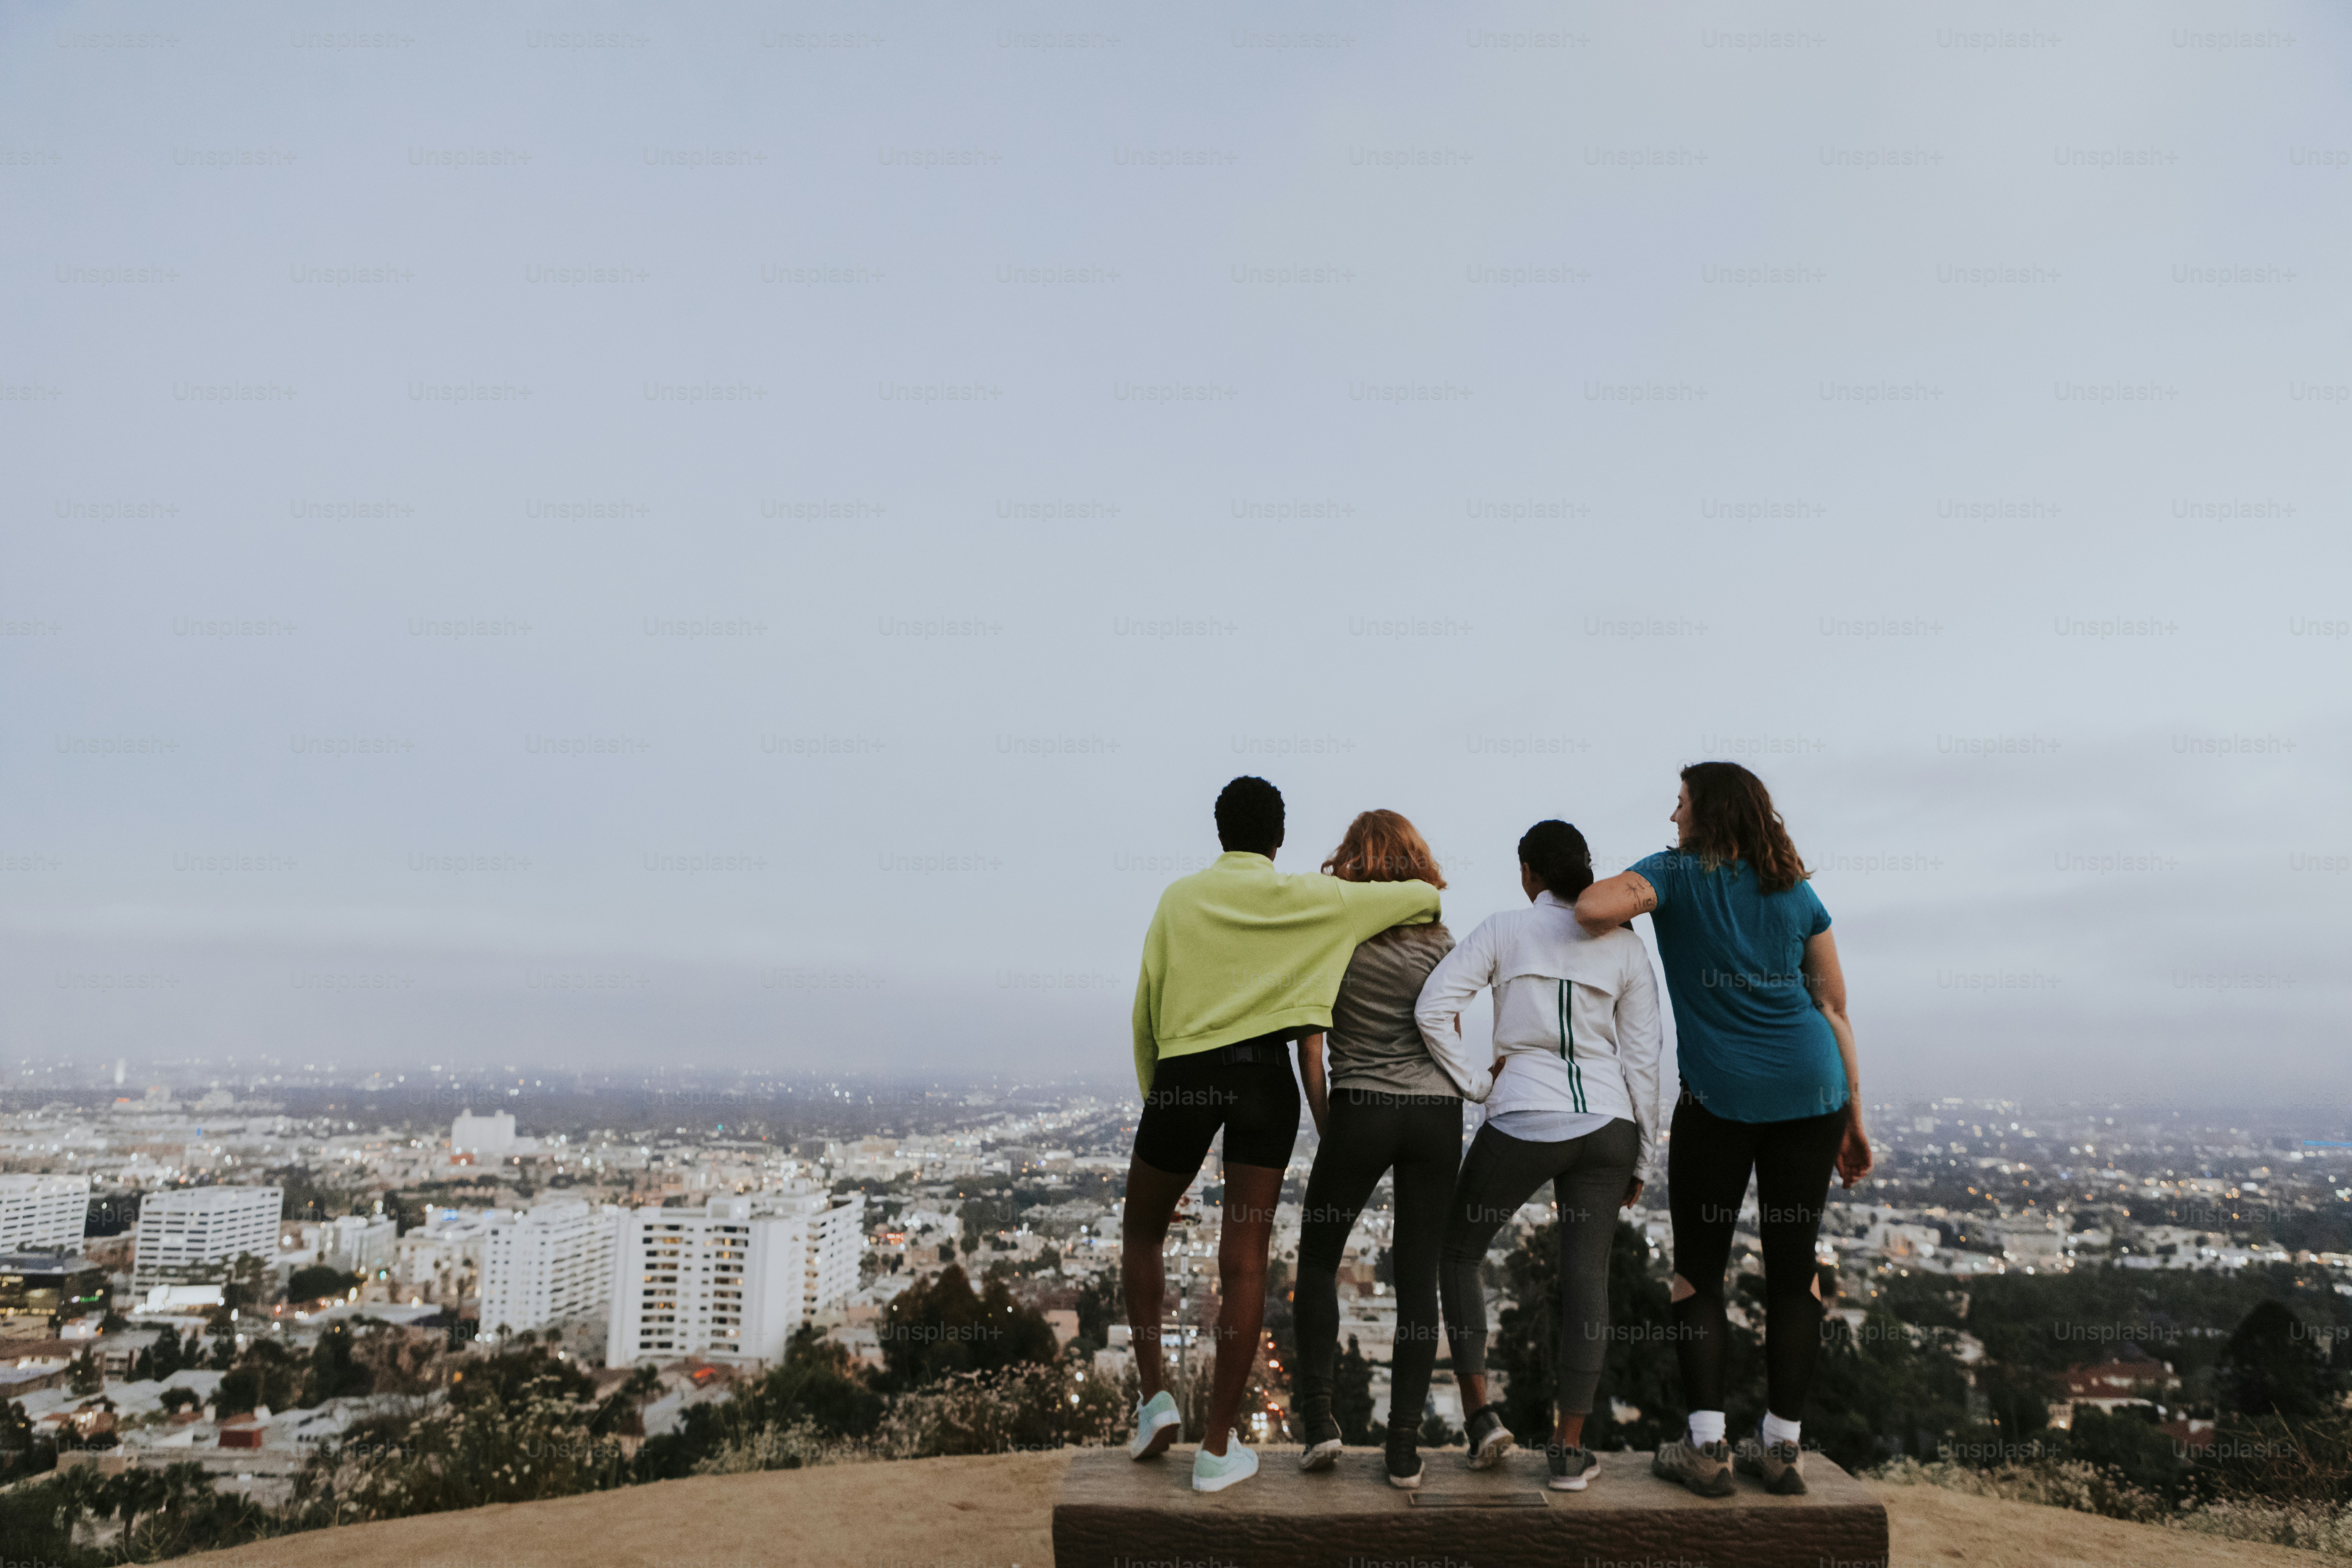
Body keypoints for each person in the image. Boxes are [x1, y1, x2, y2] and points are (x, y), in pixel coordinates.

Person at [1124, 776, 1442, 1493]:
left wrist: (1164, 1117)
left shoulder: (1178, 899)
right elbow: (1426, 898)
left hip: (1185, 1076)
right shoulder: (1309, 897)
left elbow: (1145, 1014)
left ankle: (1154, 1402)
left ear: (1220, 833)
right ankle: (1216, 1448)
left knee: (1141, 1230)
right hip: (1266, 1083)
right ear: (1279, 839)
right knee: (1245, 1260)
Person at [1573, 762, 1871, 1498]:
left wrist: (1656, 879)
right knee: (1794, 1268)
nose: (1671, 816)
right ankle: (1784, 1450)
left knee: (1698, 1272)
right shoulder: (1793, 890)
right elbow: (1835, 1006)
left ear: (1705, 814)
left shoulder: (1675, 873)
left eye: (1680, 805)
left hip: (1722, 1099)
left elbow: (1590, 907)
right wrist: (1856, 1114)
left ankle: (1707, 1447)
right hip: (1814, 1089)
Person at [1416, 820, 1664, 1493]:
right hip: (1609, 1123)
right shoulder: (1627, 947)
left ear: (1529, 873)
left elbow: (1433, 1007)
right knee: (1587, 1281)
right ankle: (1568, 1451)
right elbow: (1644, 1059)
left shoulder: (1503, 929)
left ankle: (1480, 1417)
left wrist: (1476, 1084)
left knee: (1461, 1252)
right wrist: (1644, 1156)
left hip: (1525, 1112)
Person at [1289, 811, 1459, 1488]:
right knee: (1419, 1277)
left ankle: (1321, 1421)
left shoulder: (1337, 937)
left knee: (1318, 1260)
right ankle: (1403, 1449)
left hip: (1363, 1105)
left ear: (1353, 863)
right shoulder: (1443, 940)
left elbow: (1311, 1042)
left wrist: (1332, 1122)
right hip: (1438, 1115)